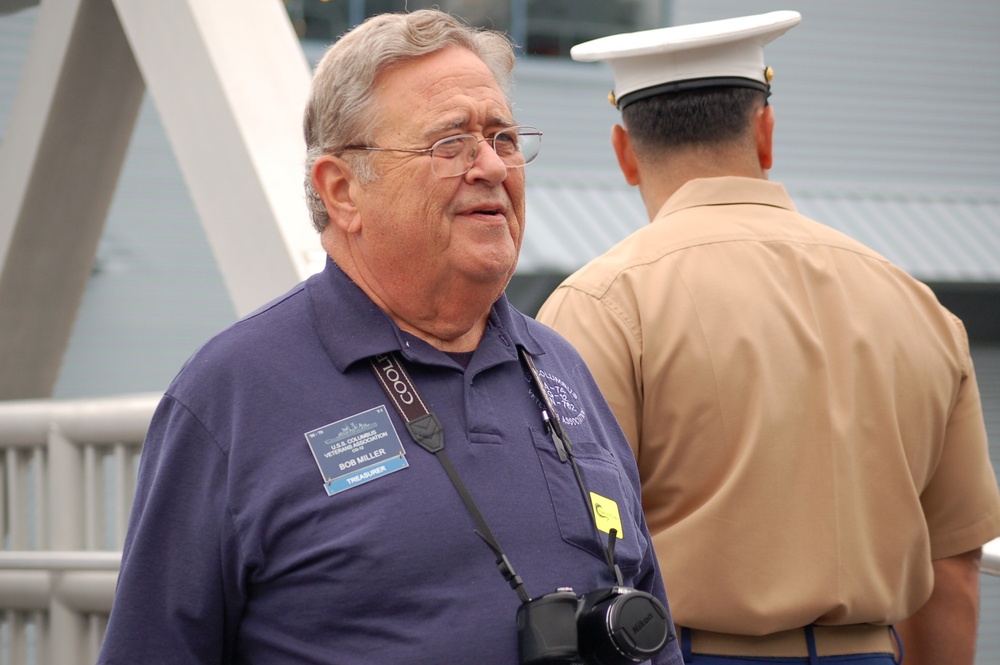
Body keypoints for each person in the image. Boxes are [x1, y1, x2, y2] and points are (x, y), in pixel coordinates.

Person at [96, 9, 683, 665]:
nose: (491, 165)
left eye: (504, 138)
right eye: (450, 143)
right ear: (341, 190)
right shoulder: (231, 398)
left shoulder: (560, 368)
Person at [536, 10, 1000, 665]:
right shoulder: (917, 304)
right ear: (766, 132)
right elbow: (953, 570)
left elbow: (572, 545)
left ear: (623, 152)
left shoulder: (601, 305)